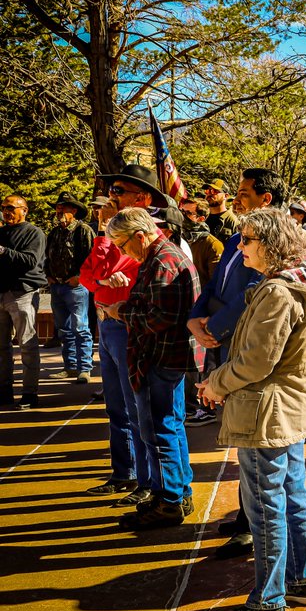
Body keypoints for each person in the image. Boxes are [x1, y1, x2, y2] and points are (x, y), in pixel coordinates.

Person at [198, 208, 306, 611]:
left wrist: (215, 383)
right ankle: (305, 580)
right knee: (291, 493)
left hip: (266, 413)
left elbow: (256, 362)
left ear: (271, 244)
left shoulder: (277, 291)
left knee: (266, 506)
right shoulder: (297, 283)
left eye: (248, 239)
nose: (240, 247)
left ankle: (268, 603)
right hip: (285, 408)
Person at [189, 167, 293, 553]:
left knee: (258, 443)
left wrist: (215, 326)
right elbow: (214, 284)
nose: (237, 198)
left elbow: (253, 291)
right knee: (239, 435)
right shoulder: (237, 238)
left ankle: (255, 525)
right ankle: (246, 512)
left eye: (245, 192)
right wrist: (196, 318)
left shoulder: (280, 242)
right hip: (223, 341)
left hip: (247, 346)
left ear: (266, 198)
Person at [99, 207, 200, 530]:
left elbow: (159, 318)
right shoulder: (161, 257)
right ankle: (178, 492)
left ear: (140, 236)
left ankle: (168, 500)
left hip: (160, 356)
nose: (123, 253)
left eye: (123, 245)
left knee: (159, 430)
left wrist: (120, 312)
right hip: (164, 355)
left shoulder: (162, 261)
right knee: (170, 426)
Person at [80, 197, 152, 503]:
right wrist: (100, 279)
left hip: (124, 328)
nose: (101, 211)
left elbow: (112, 270)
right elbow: (86, 276)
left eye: (109, 203)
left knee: (135, 407)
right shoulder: (106, 242)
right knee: (115, 406)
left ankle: (146, 480)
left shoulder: (132, 245)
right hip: (106, 327)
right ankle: (124, 471)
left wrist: (102, 275)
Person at [0, 194, 47, 409]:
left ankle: (29, 393)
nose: (6, 211)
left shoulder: (34, 233)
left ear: (24, 210)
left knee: (27, 345)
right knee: (2, 348)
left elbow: (30, 261)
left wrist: (3, 251)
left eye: (11, 207)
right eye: (3, 208)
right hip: (1, 293)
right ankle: (4, 392)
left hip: (22, 294)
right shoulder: (1, 232)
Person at [45, 192, 96, 384]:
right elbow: (47, 256)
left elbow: (92, 258)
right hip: (57, 286)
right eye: (58, 207)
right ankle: (70, 366)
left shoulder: (83, 230)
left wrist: (80, 278)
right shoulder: (54, 232)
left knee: (81, 328)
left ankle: (85, 368)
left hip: (76, 288)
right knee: (64, 330)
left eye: (63, 207)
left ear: (73, 210)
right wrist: (48, 275)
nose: (59, 210)